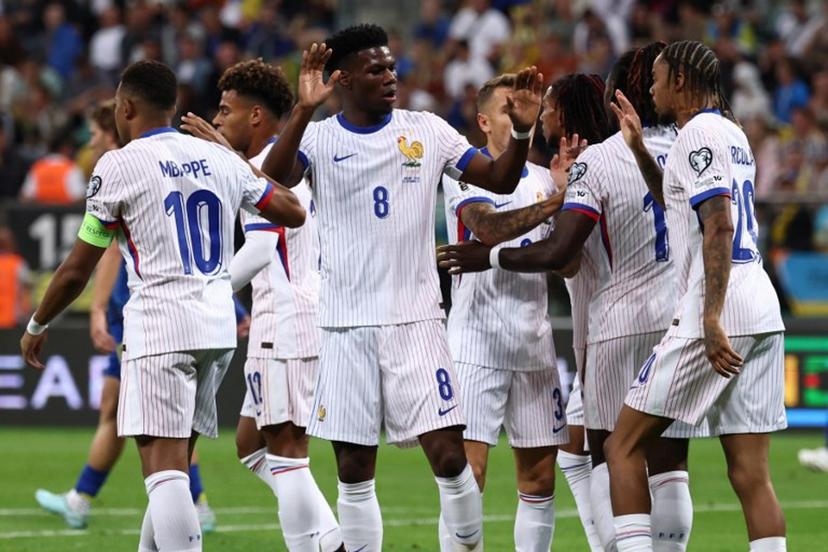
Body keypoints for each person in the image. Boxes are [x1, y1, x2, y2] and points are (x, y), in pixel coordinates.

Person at [261, 24, 543, 551]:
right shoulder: (320, 138)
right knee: (352, 467)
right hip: (344, 324)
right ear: (343, 79)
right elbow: (273, 180)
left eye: (392, 68)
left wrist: (523, 135)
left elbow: (500, 180)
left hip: (415, 321)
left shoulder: (427, 131)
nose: (391, 77)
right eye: (377, 70)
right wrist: (301, 110)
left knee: (450, 456)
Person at [20, 59, 305, 551]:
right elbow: (292, 211)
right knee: (174, 458)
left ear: (125, 107)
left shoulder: (119, 164)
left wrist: (38, 321)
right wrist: (238, 165)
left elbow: (75, 268)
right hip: (215, 330)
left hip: (160, 329)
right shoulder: (215, 157)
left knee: (162, 466)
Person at [606, 40, 787, 552]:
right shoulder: (732, 134)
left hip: (719, 311)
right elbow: (681, 204)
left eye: (659, 78)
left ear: (681, 80)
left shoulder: (697, 134)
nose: (652, 88)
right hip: (762, 311)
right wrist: (641, 149)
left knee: (621, 446)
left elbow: (718, 226)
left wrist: (709, 317)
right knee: (752, 475)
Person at [181, 58, 343, 551]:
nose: (219, 118)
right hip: (296, 314)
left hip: (287, 318)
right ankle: (332, 536)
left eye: (227, 110)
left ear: (255, 117)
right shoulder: (277, 161)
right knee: (251, 444)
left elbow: (261, 246)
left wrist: (207, 292)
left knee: (288, 451)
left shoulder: (272, 164)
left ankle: (325, 543)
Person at [441, 73, 568, 551]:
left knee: (538, 479)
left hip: (534, 347)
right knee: (469, 474)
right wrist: (558, 203)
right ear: (483, 122)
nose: (521, 116)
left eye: (526, 108)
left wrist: (570, 203)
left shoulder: (541, 178)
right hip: (476, 344)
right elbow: (487, 228)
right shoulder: (464, 175)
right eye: (509, 108)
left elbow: (568, 260)